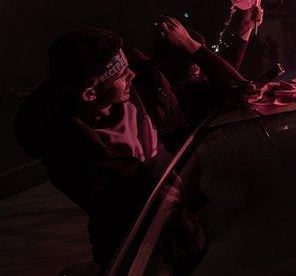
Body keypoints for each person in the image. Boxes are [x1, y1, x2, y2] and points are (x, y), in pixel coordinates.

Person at [14, 18, 251, 268]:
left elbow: (239, 91)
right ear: (89, 94)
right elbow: (142, 211)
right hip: (145, 250)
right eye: (121, 73)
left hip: (197, 219)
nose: (132, 74)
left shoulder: (145, 87)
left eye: (128, 65)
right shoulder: (73, 157)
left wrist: (191, 46)